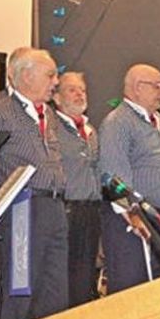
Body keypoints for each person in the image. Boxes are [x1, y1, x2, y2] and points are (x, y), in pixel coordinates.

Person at [0, 48, 68, 319]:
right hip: (20, 209)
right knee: (20, 290)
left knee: (54, 290)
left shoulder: (49, 113)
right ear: (25, 75)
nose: (55, 82)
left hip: (55, 207)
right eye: (50, 75)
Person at [98, 64, 160, 294]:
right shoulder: (118, 122)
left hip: (159, 219)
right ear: (137, 88)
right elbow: (110, 176)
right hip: (132, 221)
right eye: (157, 86)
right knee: (134, 293)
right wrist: (133, 217)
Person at [52, 71, 101, 306]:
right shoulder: (52, 127)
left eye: (82, 89)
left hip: (91, 211)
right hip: (66, 210)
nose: (80, 94)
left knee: (86, 278)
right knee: (65, 278)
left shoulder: (91, 130)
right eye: (72, 90)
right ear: (57, 98)